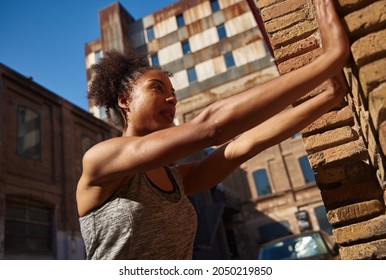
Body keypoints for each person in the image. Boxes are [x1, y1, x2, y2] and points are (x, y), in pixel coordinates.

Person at [76, 0, 350, 259]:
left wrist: (329, 96)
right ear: (124, 101)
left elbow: (244, 146)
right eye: (157, 88)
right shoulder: (101, 160)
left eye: (173, 92)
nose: (171, 98)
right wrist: (330, 59)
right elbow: (210, 128)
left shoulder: (177, 181)